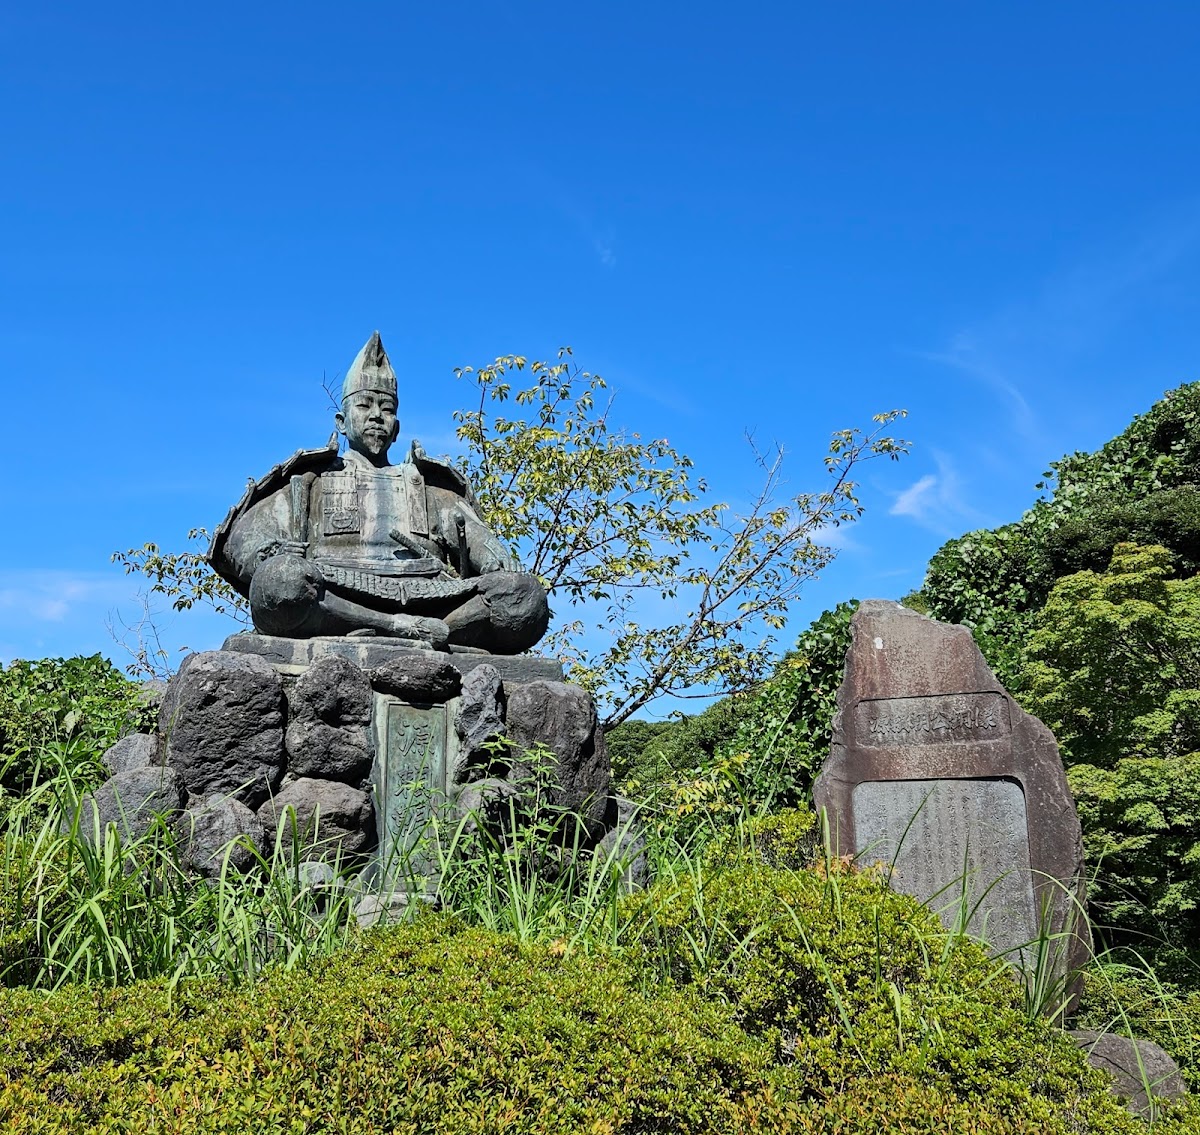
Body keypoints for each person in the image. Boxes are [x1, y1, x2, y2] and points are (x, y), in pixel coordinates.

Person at [209, 332, 549, 653]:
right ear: (341, 422)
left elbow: (478, 539)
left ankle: (419, 627)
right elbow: (241, 543)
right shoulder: (309, 481)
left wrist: (493, 560)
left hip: (433, 600)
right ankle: (400, 628)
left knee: (524, 594)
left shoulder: (430, 486)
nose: (376, 416)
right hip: (335, 594)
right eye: (365, 406)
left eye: (387, 409)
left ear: (397, 428)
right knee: (280, 582)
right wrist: (270, 553)